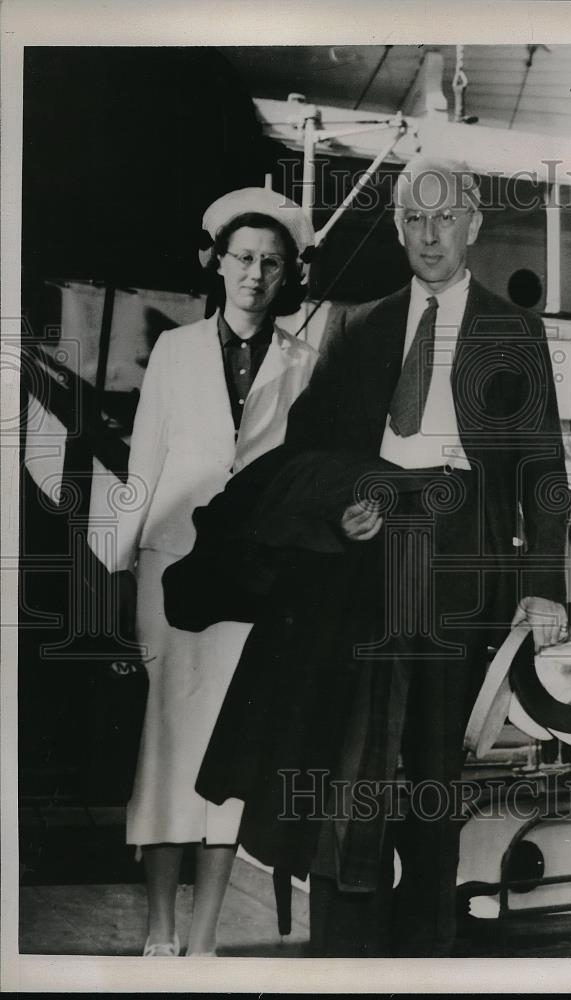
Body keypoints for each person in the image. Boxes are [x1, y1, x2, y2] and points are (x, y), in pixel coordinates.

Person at [179, 156, 569, 957]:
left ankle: (424, 953)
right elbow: (309, 448)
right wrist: (338, 511)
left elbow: (543, 470)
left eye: (442, 219)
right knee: (340, 758)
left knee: (429, 767)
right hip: (361, 561)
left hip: (459, 561)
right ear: (397, 228)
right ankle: (339, 958)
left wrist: (545, 589)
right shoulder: (354, 324)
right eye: (413, 221)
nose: (428, 236)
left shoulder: (515, 331)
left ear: (472, 225)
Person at [114, 187, 317, 956]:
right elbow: (143, 463)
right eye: (242, 258)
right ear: (217, 264)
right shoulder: (174, 352)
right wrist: (123, 561)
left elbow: (299, 473)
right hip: (172, 574)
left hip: (253, 579)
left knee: (234, 756)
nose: (255, 274)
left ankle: (204, 944)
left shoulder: (304, 361)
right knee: (165, 752)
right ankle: (159, 935)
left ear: (286, 273)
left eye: (271, 262)